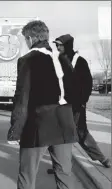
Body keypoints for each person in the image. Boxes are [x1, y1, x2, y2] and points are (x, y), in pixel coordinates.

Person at [1, 21, 78, 189]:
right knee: (64, 173)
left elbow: (22, 98)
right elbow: (75, 92)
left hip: (39, 122)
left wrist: (15, 129)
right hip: (64, 121)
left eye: (25, 39)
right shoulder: (63, 59)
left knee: (28, 172)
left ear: (30, 38)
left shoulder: (28, 60)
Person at [46, 34, 111, 172]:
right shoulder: (56, 61)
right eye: (56, 45)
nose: (57, 47)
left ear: (67, 45)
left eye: (60, 45)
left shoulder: (80, 61)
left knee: (81, 134)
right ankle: (59, 164)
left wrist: (82, 102)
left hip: (76, 105)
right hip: (59, 105)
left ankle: (102, 159)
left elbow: (87, 84)